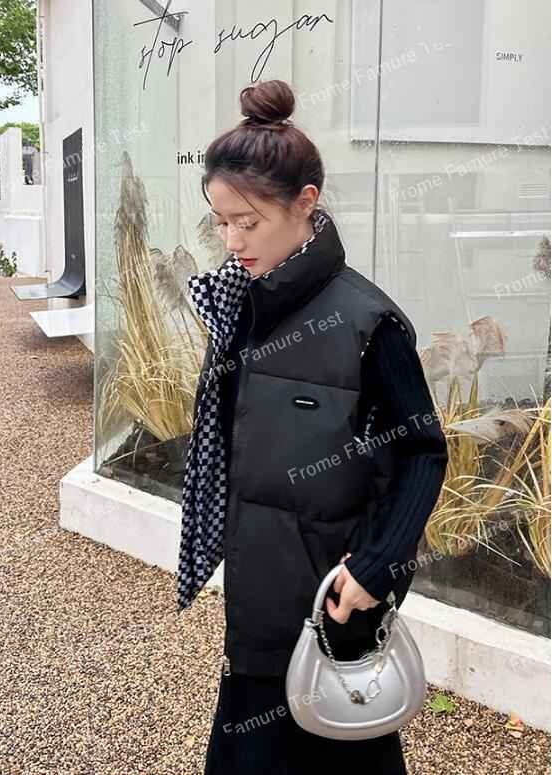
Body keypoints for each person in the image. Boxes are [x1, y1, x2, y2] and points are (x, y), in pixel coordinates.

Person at [175, 79, 449, 774]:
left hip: (334, 590)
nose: (231, 240)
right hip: (259, 581)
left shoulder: (367, 322)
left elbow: (421, 452)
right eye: (220, 221)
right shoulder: (238, 303)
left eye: (248, 222)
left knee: (339, 742)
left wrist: (377, 565)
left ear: (305, 202)